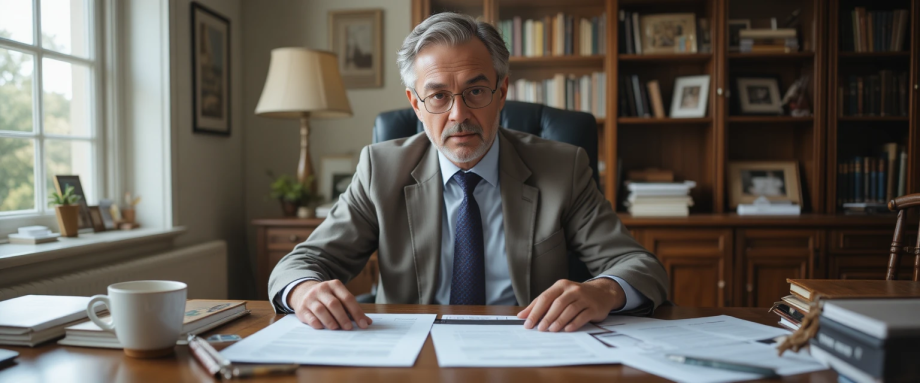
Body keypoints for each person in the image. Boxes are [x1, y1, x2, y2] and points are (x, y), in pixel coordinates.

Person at [269, 12, 669, 333]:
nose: (459, 115)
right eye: (439, 95)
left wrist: (604, 290)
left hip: (529, 347)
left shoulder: (562, 168)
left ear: (502, 93)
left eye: (476, 91)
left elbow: (642, 267)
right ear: (416, 104)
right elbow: (298, 264)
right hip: (414, 353)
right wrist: (304, 291)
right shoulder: (381, 169)